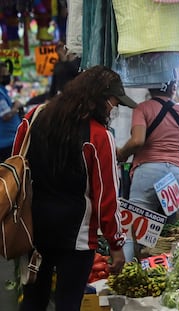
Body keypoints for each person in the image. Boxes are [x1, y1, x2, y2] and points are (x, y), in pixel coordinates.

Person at [12, 65, 137, 311]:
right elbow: (107, 197)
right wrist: (116, 245)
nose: (116, 109)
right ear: (100, 99)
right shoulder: (99, 135)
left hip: (33, 227)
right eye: (114, 102)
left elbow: (16, 164)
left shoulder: (35, 116)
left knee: (33, 299)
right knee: (68, 303)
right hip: (76, 237)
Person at [117, 79, 179, 261]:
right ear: (174, 88)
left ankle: (126, 275)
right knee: (175, 233)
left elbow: (138, 140)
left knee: (134, 231)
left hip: (148, 173)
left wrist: (121, 154)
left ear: (149, 87)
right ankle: (173, 279)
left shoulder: (143, 108)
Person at [0, 62, 22, 162]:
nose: (8, 75)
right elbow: (6, 116)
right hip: (6, 143)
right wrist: (16, 107)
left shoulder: (2, 90)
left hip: (10, 140)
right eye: (5, 73)